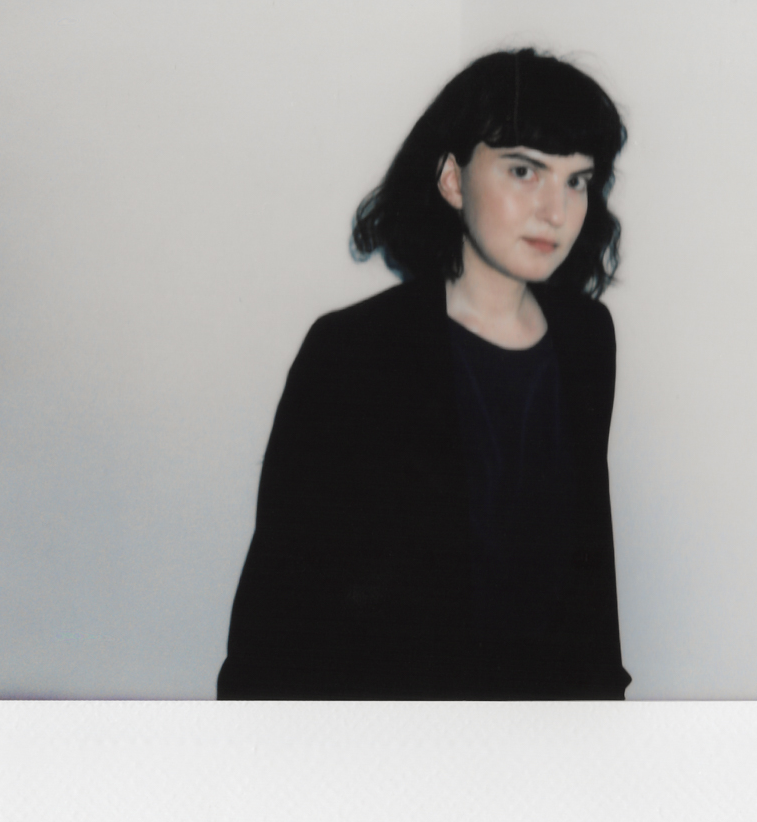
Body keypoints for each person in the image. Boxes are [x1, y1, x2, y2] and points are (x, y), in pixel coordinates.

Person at [217, 49, 631, 700]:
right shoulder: (355, 351)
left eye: (577, 180)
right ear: (452, 180)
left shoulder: (586, 338)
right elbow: (282, 602)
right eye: (525, 171)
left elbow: (587, 563)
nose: (557, 210)